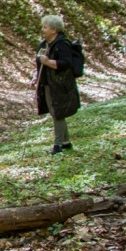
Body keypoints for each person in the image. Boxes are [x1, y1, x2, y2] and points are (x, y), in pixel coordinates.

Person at [34, 15, 81, 155]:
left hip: (60, 85)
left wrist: (48, 62)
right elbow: (38, 63)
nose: (43, 30)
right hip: (48, 84)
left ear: (54, 30)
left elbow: (66, 63)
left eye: (45, 27)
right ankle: (66, 142)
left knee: (57, 113)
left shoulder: (62, 44)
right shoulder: (44, 44)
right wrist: (36, 77)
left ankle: (58, 145)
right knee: (56, 112)